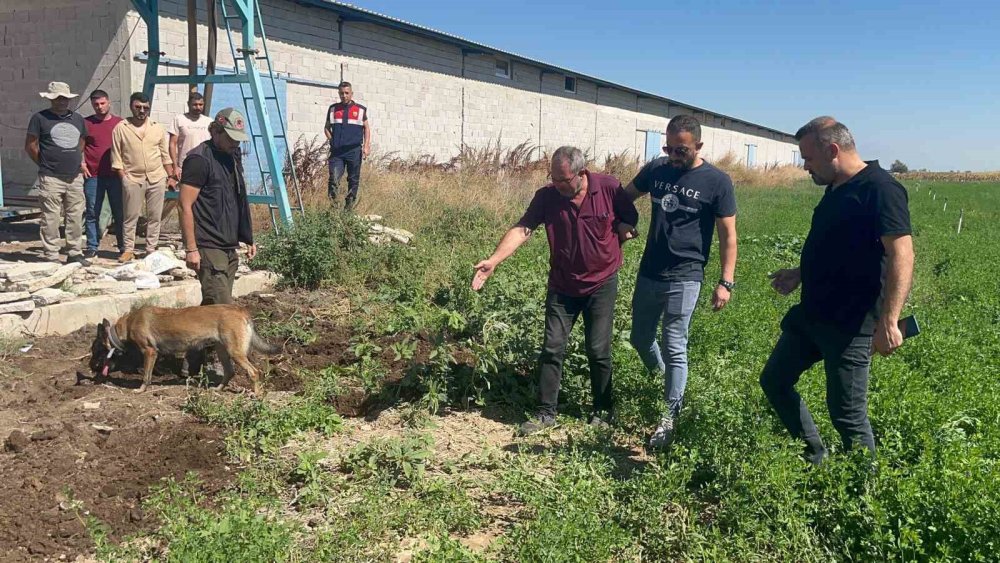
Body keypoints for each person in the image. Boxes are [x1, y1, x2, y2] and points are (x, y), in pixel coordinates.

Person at [760, 116, 914, 465]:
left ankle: (863, 500)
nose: (805, 167)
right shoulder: (836, 188)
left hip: (850, 325)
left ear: (832, 150)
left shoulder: (880, 189)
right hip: (813, 315)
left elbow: (902, 254)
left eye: (809, 158)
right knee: (774, 381)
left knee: (847, 415)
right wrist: (800, 273)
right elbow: (840, 247)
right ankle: (816, 458)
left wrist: (889, 321)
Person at [472, 146, 639, 435]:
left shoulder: (609, 188)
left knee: (598, 350)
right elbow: (524, 228)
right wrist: (494, 260)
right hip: (563, 285)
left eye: (564, 180)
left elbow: (630, 218)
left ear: (581, 173)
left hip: (601, 284)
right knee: (552, 348)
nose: (558, 185)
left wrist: (625, 227)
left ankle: (603, 410)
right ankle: (545, 413)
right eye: (554, 178)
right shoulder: (547, 196)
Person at [622, 114, 738, 450]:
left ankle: (668, 417)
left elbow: (728, 235)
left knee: (675, 345)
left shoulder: (717, 181)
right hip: (650, 271)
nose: (674, 154)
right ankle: (663, 381)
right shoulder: (657, 170)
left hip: (686, 275)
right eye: (669, 147)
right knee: (640, 338)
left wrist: (725, 281)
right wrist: (622, 223)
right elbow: (623, 198)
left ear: (698, 146)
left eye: (681, 149)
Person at [178, 107, 256, 306]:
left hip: (229, 246)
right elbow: (184, 205)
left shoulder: (233, 155)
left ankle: (193, 337)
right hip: (209, 246)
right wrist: (191, 249)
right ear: (215, 131)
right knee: (224, 313)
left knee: (213, 312)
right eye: (231, 138)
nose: (235, 143)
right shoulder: (199, 159)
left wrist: (248, 237)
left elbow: (237, 198)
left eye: (238, 139)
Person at [25, 81, 90, 265]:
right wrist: (45, 163)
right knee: (50, 218)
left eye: (64, 98)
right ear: (51, 99)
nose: (62, 101)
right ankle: (51, 255)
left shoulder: (77, 119)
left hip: (75, 176)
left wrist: (76, 160)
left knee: (75, 216)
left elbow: (82, 141)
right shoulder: (40, 118)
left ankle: (75, 253)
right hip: (51, 177)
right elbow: (30, 145)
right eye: (58, 98)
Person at [110, 92, 175, 262]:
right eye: (138, 107)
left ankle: (150, 248)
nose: (142, 111)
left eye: (145, 108)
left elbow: (164, 154)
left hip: (156, 177)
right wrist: (123, 177)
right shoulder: (121, 128)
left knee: (155, 215)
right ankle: (128, 249)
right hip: (133, 178)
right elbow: (116, 157)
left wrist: (170, 176)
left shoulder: (157, 128)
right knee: (130, 216)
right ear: (131, 106)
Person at [82, 89, 125, 257]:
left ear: (109, 103)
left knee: (119, 212)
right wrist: (81, 162)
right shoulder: (86, 123)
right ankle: (92, 246)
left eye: (102, 103)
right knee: (93, 211)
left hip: (116, 175)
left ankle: (123, 247)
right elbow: (80, 144)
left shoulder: (120, 123)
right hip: (93, 175)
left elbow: (125, 147)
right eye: (96, 104)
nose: (99, 107)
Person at [163, 92, 213, 223]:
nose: (198, 107)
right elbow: (172, 144)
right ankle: (153, 225)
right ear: (188, 105)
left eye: (200, 104)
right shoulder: (179, 119)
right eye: (195, 104)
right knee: (180, 200)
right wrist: (175, 167)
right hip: (185, 166)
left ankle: (200, 231)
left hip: (204, 166)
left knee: (201, 200)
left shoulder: (209, 121)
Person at [324, 81, 371, 210]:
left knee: (353, 180)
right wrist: (332, 140)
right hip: (337, 153)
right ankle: (333, 208)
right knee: (334, 179)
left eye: (346, 93)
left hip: (354, 151)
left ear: (351, 94)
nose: (343, 96)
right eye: (341, 93)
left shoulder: (360, 110)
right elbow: (326, 128)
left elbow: (366, 128)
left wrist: (366, 146)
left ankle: (348, 209)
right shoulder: (333, 109)